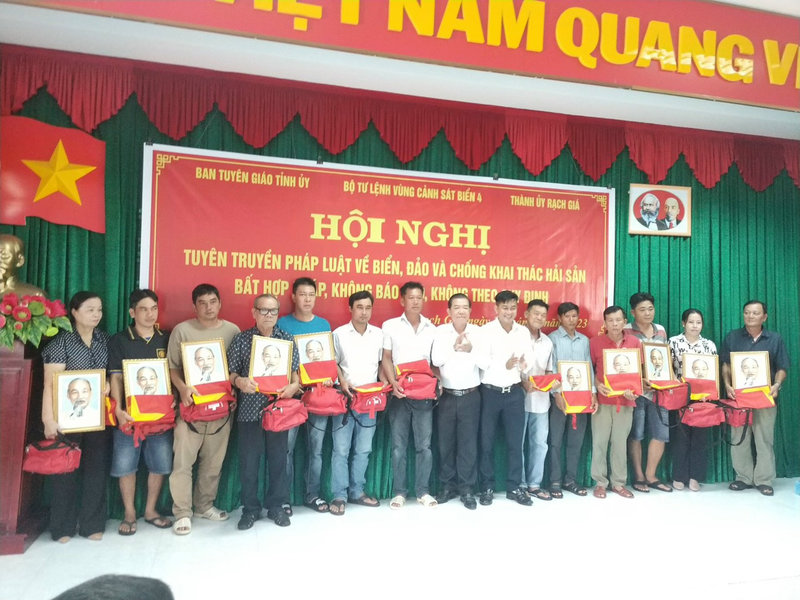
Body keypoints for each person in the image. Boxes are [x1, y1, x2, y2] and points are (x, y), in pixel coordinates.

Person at [167, 283, 240, 535]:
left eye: (213, 302)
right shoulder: (182, 330)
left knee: (213, 462)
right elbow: (172, 367)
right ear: (194, 306)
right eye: (202, 303)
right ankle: (182, 513)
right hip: (190, 409)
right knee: (182, 463)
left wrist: (234, 390)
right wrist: (182, 388)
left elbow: (237, 368)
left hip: (221, 410)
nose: (208, 307)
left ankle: (204, 506)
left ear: (220, 303)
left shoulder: (232, 331)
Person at [41, 291, 110, 542]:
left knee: (96, 470)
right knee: (65, 472)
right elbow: (50, 384)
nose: (96, 314)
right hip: (67, 419)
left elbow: (109, 374)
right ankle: (62, 527)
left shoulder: (104, 340)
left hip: (96, 417)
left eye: (99, 309)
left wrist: (107, 386)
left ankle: (92, 525)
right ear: (74, 312)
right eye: (90, 309)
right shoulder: (61, 342)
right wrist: (48, 420)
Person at [227, 294, 300, 530]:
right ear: (254, 312)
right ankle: (250, 509)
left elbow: (296, 376)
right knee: (249, 463)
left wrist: (293, 387)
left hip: (278, 412)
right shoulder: (242, 340)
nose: (269, 315)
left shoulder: (287, 340)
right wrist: (239, 382)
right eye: (264, 310)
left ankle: (276, 506)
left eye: (273, 311)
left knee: (279, 462)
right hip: (249, 411)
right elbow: (230, 373)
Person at [107, 289, 173, 536]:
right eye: (144, 309)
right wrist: (118, 408)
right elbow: (116, 377)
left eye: (153, 308)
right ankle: (129, 513)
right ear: (132, 312)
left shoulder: (166, 339)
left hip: (160, 416)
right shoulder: (119, 340)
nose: (150, 314)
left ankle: (151, 510)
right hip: (129, 416)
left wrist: (175, 402)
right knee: (125, 465)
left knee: (160, 464)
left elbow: (174, 374)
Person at [721, 300, 789, 496]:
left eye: (755, 313)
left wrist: (776, 385)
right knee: (739, 437)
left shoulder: (775, 339)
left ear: (764, 317)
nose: (750, 316)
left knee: (764, 439)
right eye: (747, 312)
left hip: (765, 398)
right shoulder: (733, 337)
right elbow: (725, 364)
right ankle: (743, 477)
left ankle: (764, 479)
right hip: (738, 397)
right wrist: (727, 384)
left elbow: (782, 366)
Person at [276, 276, 331, 515]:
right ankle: (283, 499)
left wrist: (329, 378)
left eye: (311, 295)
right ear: (293, 297)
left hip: (318, 395)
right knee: (286, 449)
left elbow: (328, 361)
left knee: (315, 449)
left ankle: (312, 494)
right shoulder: (282, 324)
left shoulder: (323, 325)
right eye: (302, 294)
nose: (307, 299)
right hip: (291, 396)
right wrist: (292, 382)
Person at [381, 281, 438, 509]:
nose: (415, 302)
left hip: (424, 394)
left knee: (424, 446)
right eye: (411, 298)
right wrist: (392, 382)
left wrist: (436, 383)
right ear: (402, 300)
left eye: (419, 297)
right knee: (399, 446)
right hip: (400, 393)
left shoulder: (432, 328)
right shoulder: (390, 326)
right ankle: (399, 492)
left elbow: (434, 362)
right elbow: (386, 358)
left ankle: (423, 491)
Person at [330, 290, 385, 514]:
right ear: (350, 309)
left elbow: (382, 364)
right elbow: (332, 363)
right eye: (359, 307)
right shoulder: (339, 334)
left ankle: (357, 491)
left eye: (368, 308)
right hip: (345, 398)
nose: (364, 312)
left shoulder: (378, 334)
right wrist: (342, 382)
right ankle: (339, 495)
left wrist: (385, 384)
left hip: (370, 400)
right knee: (341, 450)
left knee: (363, 449)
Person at [431, 293, 487, 510]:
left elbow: (486, 363)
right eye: (456, 307)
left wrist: (471, 350)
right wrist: (452, 348)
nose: (461, 311)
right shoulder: (441, 332)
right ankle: (447, 486)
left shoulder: (479, 333)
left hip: (471, 396)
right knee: (446, 443)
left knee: (468, 445)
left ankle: (467, 488)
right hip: (446, 396)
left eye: (465, 307)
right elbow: (436, 360)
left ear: (470, 311)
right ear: (449, 311)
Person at [478, 290, 532, 507]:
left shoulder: (523, 332)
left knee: (515, 443)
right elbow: (481, 361)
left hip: (514, 393)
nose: (509, 312)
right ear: (496, 309)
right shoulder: (485, 331)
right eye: (505, 308)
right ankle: (486, 487)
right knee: (486, 443)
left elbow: (529, 358)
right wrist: (504, 364)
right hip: (489, 393)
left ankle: (514, 487)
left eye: (512, 308)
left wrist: (524, 365)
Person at [589, 305, 641, 499]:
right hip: (602, 401)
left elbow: (638, 373)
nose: (615, 324)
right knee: (599, 442)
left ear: (625, 321)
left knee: (620, 443)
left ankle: (618, 483)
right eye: (610, 320)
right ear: (604, 323)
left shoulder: (634, 342)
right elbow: (590, 371)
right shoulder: (595, 343)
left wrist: (634, 391)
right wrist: (597, 385)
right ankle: (600, 483)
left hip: (626, 402)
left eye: (618, 320)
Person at [548, 302, 596, 498]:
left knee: (576, 441)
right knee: (555, 441)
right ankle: (554, 481)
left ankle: (570, 480)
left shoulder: (584, 341)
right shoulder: (552, 339)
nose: (571, 320)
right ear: (559, 318)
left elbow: (589, 368)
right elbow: (551, 369)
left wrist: (593, 393)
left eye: (574, 316)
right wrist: (556, 394)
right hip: (559, 398)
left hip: (581, 398)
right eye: (567, 316)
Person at [625, 292, 671, 493]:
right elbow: (623, 362)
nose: (647, 313)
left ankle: (652, 475)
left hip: (660, 392)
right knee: (636, 434)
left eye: (650, 309)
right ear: (633, 312)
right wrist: (640, 381)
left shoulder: (661, 330)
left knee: (661, 433)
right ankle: (639, 476)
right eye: (642, 310)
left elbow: (664, 359)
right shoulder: (626, 330)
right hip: (636, 392)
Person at [668, 308, 717, 491]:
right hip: (680, 396)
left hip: (703, 398)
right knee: (680, 438)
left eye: (698, 322)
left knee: (700, 438)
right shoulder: (673, 342)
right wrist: (676, 385)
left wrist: (708, 393)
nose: (695, 326)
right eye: (691, 322)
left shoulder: (709, 345)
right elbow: (668, 368)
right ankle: (679, 476)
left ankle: (695, 476)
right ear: (683, 323)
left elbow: (713, 373)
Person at [521, 299, 555, 502]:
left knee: (540, 444)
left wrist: (552, 382)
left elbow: (549, 370)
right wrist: (522, 383)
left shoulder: (548, 342)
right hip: (518, 399)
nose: (539, 318)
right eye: (536, 313)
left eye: (543, 315)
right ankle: (519, 485)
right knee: (517, 444)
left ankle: (534, 484)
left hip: (541, 401)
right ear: (526, 314)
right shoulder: (516, 337)